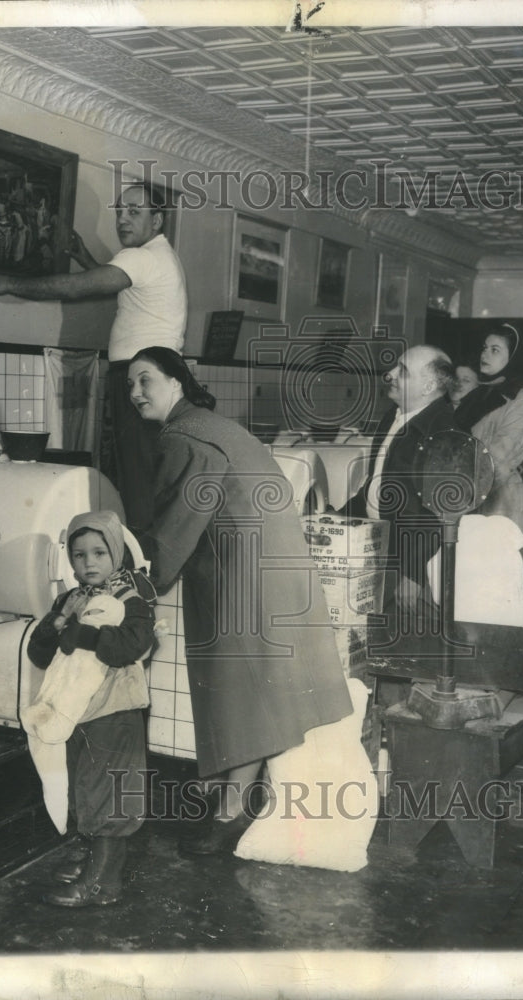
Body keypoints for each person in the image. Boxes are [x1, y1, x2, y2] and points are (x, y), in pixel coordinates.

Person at [127, 347, 357, 858]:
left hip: (246, 574)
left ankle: (232, 810)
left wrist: (138, 581)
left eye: (145, 380)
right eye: (129, 386)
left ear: (177, 383)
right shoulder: (211, 424)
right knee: (245, 689)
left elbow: (175, 523)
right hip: (263, 564)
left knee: (245, 694)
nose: (135, 393)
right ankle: (222, 787)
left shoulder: (184, 437)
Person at [0, 182, 188, 530]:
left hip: (143, 375)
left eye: (134, 212)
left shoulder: (142, 257)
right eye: (120, 210)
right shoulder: (158, 256)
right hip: (157, 375)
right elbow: (116, 285)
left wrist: (8, 283)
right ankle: (145, 561)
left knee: (137, 479)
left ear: (156, 221)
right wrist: (84, 258)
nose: (122, 219)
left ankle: (143, 567)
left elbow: (78, 287)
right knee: (142, 473)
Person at [25, 510, 156, 907]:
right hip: (77, 713)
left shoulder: (132, 599)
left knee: (111, 794)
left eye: (99, 552)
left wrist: (77, 633)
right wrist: (52, 626)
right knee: (85, 788)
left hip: (116, 713)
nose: (89, 562)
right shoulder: (70, 598)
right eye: (80, 555)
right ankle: (90, 859)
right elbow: (39, 654)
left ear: (115, 554)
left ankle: (103, 882)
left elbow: (127, 647)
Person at [340, 344, 458, 620]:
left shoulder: (444, 434)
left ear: (428, 387)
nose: (390, 374)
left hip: (417, 568)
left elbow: (438, 514)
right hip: (384, 553)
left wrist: (414, 574)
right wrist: (336, 517)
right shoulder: (392, 418)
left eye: (403, 371)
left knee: (412, 646)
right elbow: (376, 485)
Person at [453, 323, 523, 621]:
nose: (485, 354)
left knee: (500, 587)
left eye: (495, 349)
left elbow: (502, 452)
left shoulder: (521, 397)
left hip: (499, 499)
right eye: (484, 348)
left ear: (513, 356)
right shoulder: (478, 394)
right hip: (464, 494)